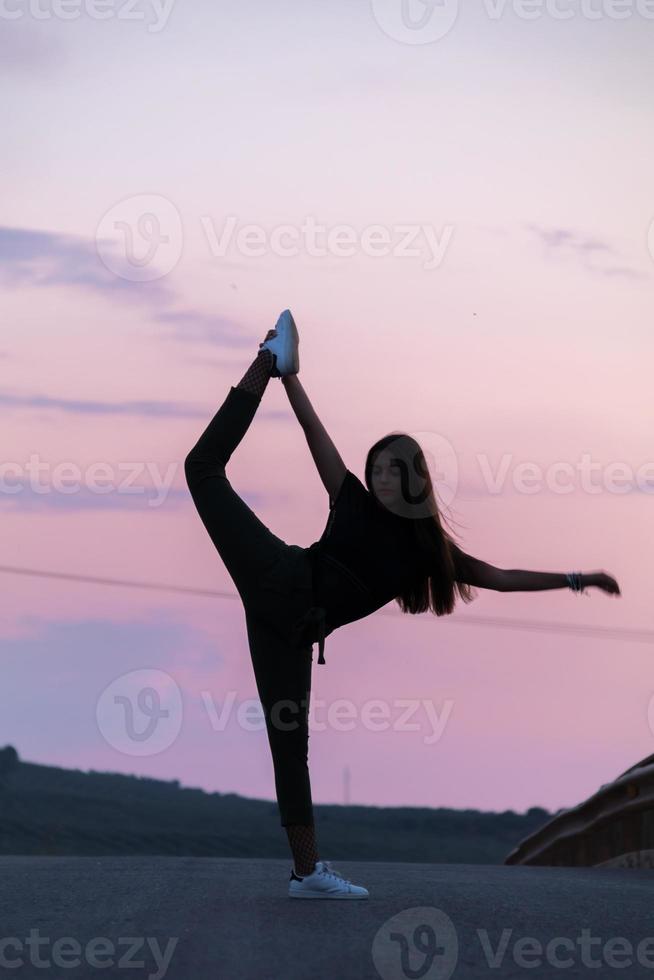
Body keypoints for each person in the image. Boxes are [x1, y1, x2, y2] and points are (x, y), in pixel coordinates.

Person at [184, 310, 622, 899]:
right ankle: (266, 358)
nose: (380, 477)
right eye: (377, 468)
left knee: (289, 744)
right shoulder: (354, 502)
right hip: (279, 574)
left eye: (392, 471)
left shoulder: (425, 553)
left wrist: (574, 577)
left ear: (415, 479)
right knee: (202, 468)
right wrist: (288, 377)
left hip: (288, 629)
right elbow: (318, 435)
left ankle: (307, 872)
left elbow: (499, 575)